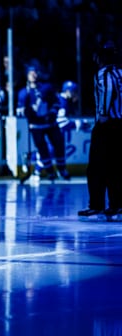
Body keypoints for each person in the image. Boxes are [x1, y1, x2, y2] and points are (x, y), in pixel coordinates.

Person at [78, 40, 122, 222]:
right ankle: (116, 205)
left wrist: (103, 113)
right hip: (120, 124)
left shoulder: (103, 74)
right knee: (116, 167)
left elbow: (108, 90)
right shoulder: (121, 73)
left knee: (96, 167)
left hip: (107, 125)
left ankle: (96, 205)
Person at [17, 65, 70, 182]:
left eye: (35, 72)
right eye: (31, 73)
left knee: (59, 144)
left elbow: (56, 103)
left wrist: (51, 113)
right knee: (43, 149)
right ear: (27, 75)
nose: (34, 75)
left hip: (50, 123)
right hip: (35, 126)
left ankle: (62, 169)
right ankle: (50, 172)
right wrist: (30, 110)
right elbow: (20, 110)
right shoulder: (23, 93)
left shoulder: (47, 88)